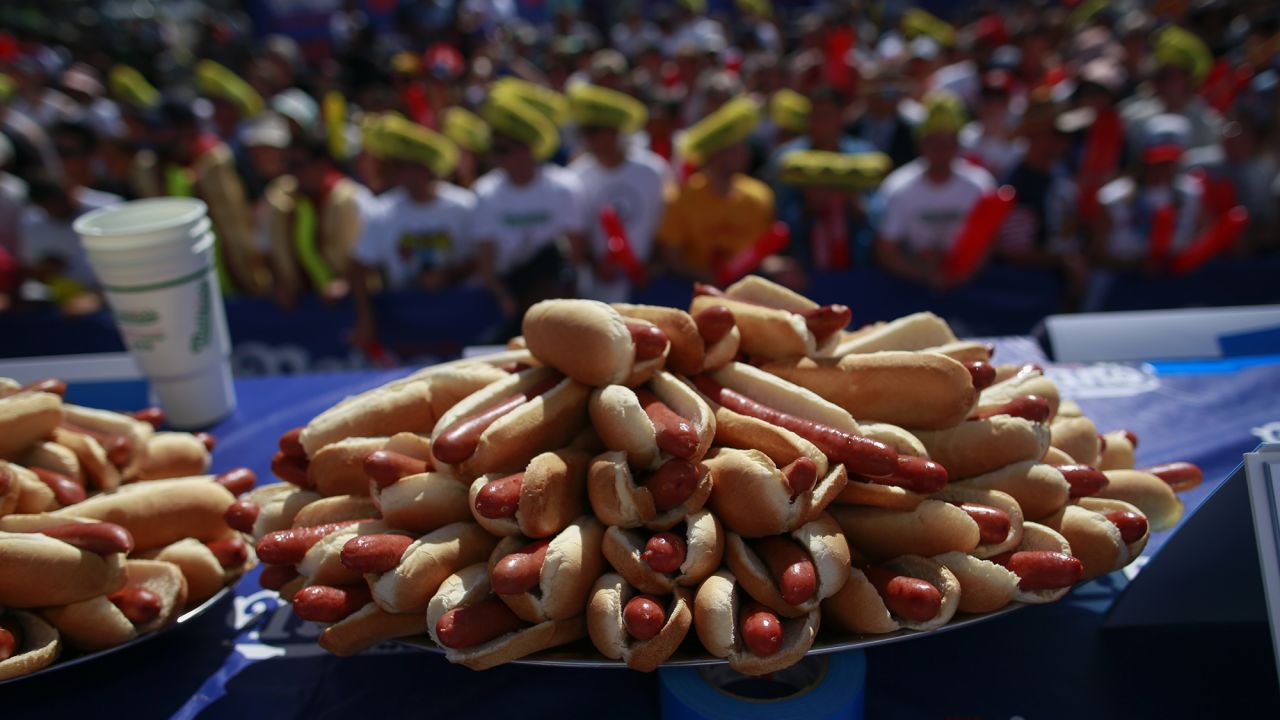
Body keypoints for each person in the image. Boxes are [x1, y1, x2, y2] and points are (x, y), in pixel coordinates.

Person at [349, 116, 471, 349]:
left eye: (414, 167)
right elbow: (357, 268)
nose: (407, 174)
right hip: (405, 321)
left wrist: (449, 276)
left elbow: (479, 260)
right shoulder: (382, 212)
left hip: (457, 315)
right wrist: (365, 319)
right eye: (401, 167)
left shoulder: (462, 206)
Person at [131, 97, 267, 295]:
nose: (153, 136)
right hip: (184, 282)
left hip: (234, 277)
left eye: (160, 129)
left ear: (186, 129)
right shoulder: (149, 168)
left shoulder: (217, 160)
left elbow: (242, 221)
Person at [474, 90, 584, 333]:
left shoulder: (563, 187)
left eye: (504, 149)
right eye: (494, 149)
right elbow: (486, 262)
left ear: (527, 149)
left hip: (556, 296)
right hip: (510, 297)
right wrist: (505, 298)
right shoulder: (485, 192)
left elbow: (575, 254)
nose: (495, 157)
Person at [875, 90, 995, 290]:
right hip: (910, 285)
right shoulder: (898, 187)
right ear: (920, 144)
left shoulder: (981, 185)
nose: (940, 150)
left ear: (957, 145)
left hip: (970, 285)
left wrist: (962, 274)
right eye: (933, 142)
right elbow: (886, 249)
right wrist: (923, 274)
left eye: (947, 143)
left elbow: (990, 241)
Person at [566, 83, 671, 302]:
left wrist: (652, 266)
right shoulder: (576, 176)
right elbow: (576, 236)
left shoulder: (653, 170)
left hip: (648, 285)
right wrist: (595, 266)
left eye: (594, 131)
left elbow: (666, 224)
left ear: (614, 131)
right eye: (584, 132)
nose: (588, 139)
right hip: (598, 289)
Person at [657, 97, 776, 281]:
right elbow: (673, 258)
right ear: (715, 154)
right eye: (735, 148)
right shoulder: (681, 198)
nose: (744, 153)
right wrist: (713, 278)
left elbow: (762, 253)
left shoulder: (760, 196)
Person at [265, 138, 372, 309]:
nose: (293, 173)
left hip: (350, 305)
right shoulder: (283, 198)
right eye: (288, 165)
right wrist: (281, 283)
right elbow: (269, 248)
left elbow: (370, 255)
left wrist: (345, 283)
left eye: (299, 164)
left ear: (322, 164)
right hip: (300, 308)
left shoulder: (351, 198)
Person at [1093, 114, 1203, 270]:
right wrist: (1135, 265)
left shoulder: (1192, 193)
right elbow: (1098, 251)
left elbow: (1202, 236)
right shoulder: (1112, 196)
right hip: (1121, 280)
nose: (1163, 168)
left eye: (1170, 161)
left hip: (1178, 279)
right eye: (1158, 161)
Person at [777, 149, 890, 270]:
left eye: (835, 188)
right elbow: (782, 248)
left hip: (858, 278)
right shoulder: (795, 216)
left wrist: (857, 206)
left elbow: (881, 242)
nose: (828, 194)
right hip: (810, 279)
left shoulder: (865, 216)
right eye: (817, 188)